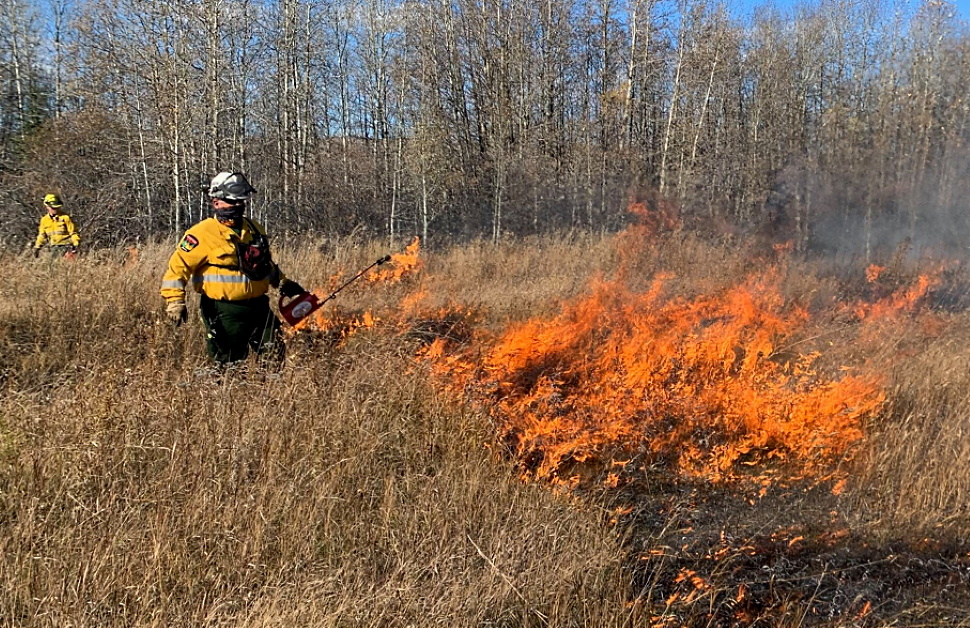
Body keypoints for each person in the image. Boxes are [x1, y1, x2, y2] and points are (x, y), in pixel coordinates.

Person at [160, 171, 306, 365]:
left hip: (259, 306)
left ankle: (269, 392)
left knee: (274, 354)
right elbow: (178, 268)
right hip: (224, 310)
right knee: (229, 363)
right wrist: (175, 300)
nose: (238, 206)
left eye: (241, 202)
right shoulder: (201, 234)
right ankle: (227, 393)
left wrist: (282, 282)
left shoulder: (254, 229)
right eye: (232, 201)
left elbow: (263, 263)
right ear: (216, 202)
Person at [33, 193, 80, 257]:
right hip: (54, 249)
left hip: (67, 247)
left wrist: (76, 245)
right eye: (53, 208)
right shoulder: (44, 220)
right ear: (47, 207)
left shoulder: (65, 218)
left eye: (57, 207)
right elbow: (42, 235)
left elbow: (73, 233)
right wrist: (37, 247)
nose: (55, 209)